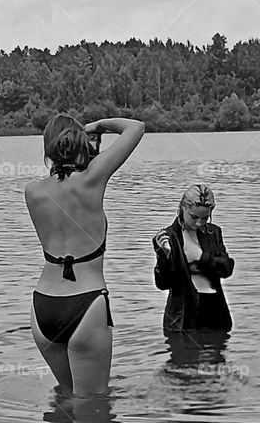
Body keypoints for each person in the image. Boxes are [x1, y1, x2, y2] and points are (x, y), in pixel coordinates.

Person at [26, 114, 145, 394]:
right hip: (86, 303)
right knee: (93, 408)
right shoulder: (93, 178)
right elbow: (136, 127)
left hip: (43, 306)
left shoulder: (32, 192)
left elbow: (61, 181)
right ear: (81, 142)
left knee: (67, 398)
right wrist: (97, 126)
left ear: (47, 149)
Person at [152, 182, 235, 334]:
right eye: (194, 217)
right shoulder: (167, 237)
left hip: (216, 312)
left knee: (218, 354)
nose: (199, 223)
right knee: (183, 356)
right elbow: (163, 284)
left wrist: (202, 257)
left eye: (205, 218)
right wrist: (165, 257)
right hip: (183, 317)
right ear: (183, 207)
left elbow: (226, 269)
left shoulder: (214, 232)